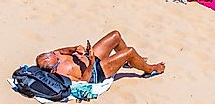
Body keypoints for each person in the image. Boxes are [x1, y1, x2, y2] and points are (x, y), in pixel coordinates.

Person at [35, 32, 164, 83]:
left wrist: (74, 49)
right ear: (52, 69)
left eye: (52, 54)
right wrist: (91, 63)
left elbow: (63, 51)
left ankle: (133, 61)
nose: (56, 56)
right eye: (55, 59)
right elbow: (83, 82)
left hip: (90, 57)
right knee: (129, 51)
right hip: (96, 71)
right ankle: (150, 69)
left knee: (115, 36)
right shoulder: (60, 74)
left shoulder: (54, 55)